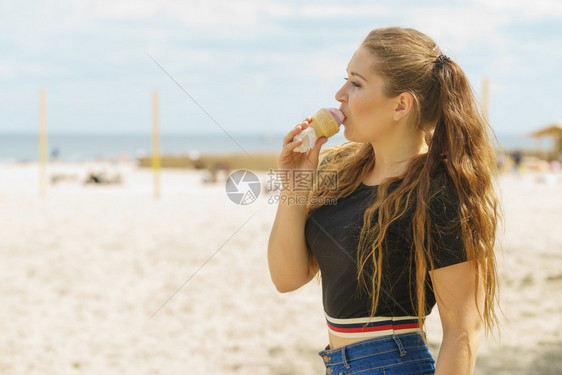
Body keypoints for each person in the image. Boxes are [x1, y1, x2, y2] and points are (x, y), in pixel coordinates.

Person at [268, 27, 500, 375]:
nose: (339, 94)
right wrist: (296, 183)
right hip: (335, 364)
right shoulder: (340, 170)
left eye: (356, 83)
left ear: (401, 105)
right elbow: (286, 278)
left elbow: (464, 329)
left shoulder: (440, 191)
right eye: (345, 79)